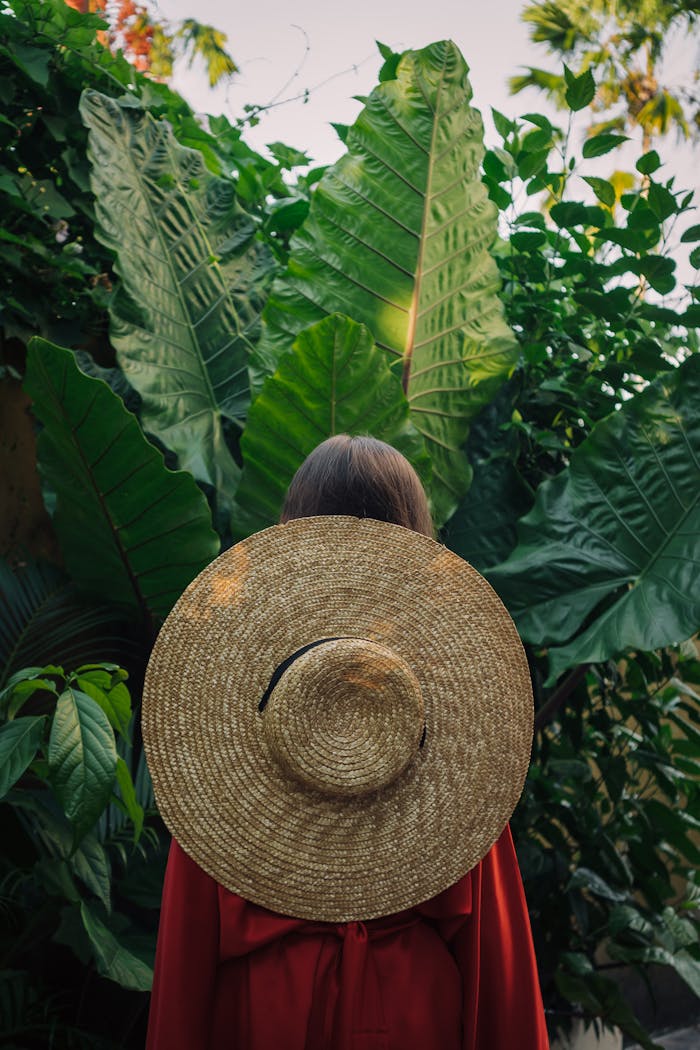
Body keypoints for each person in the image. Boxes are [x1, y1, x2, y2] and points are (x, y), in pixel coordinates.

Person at [143, 435, 549, 1050]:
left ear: (293, 538)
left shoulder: (225, 737)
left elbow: (185, 958)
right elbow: (498, 966)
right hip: (411, 1011)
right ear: (414, 540)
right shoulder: (459, 733)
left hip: (264, 1015)